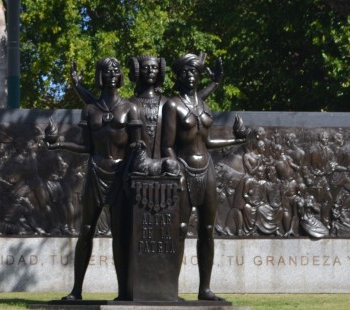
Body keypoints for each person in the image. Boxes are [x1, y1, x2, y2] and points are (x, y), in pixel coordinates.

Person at [46, 57, 140, 301]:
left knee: (120, 234)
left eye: (116, 70)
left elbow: (136, 146)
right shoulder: (90, 110)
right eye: (107, 71)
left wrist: (130, 174)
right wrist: (60, 143)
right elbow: (86, 146)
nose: (112, 74)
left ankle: (124, 293)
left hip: (121, 175)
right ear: (100, 76)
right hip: (96, 172)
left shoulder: (130, 108)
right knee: (86, 230)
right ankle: (76, 291)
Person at [160, 53, 246, 301]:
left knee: (208, 230)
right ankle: (171, 290)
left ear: (199, 76)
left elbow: (207, 142)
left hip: (206, 169)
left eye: (194, 71)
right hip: (184, 169)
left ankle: (204, 289)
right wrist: (175, 169)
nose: (189, 75)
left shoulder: (205, 107)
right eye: (185, 71)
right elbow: (167, 145)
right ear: (178, 75)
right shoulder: (172, 105)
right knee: (180, 230)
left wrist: (235, 139)